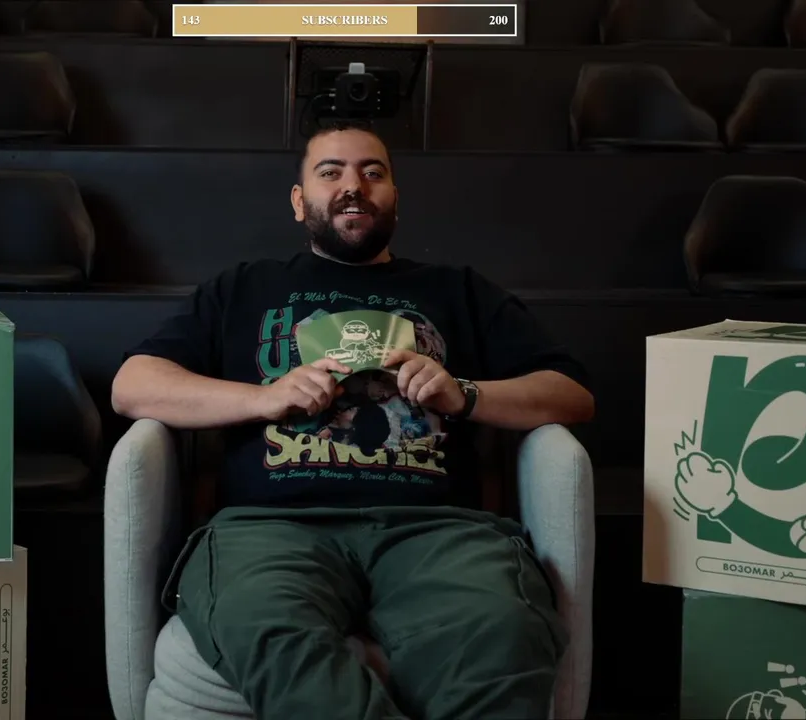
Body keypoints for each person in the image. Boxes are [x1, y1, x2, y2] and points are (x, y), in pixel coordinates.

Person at [112, 122, 595, 720]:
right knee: (266, 627)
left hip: (438, 530)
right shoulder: (244, 288)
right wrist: (264, 398)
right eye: (330, 172)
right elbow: (133, 384)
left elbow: (572, 393)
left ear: (394, 197)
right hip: (271, 529)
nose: (353, 186)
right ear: (299, 201)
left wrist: (463, 393)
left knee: (502, 631)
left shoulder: (459, 290)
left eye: (373, 172)